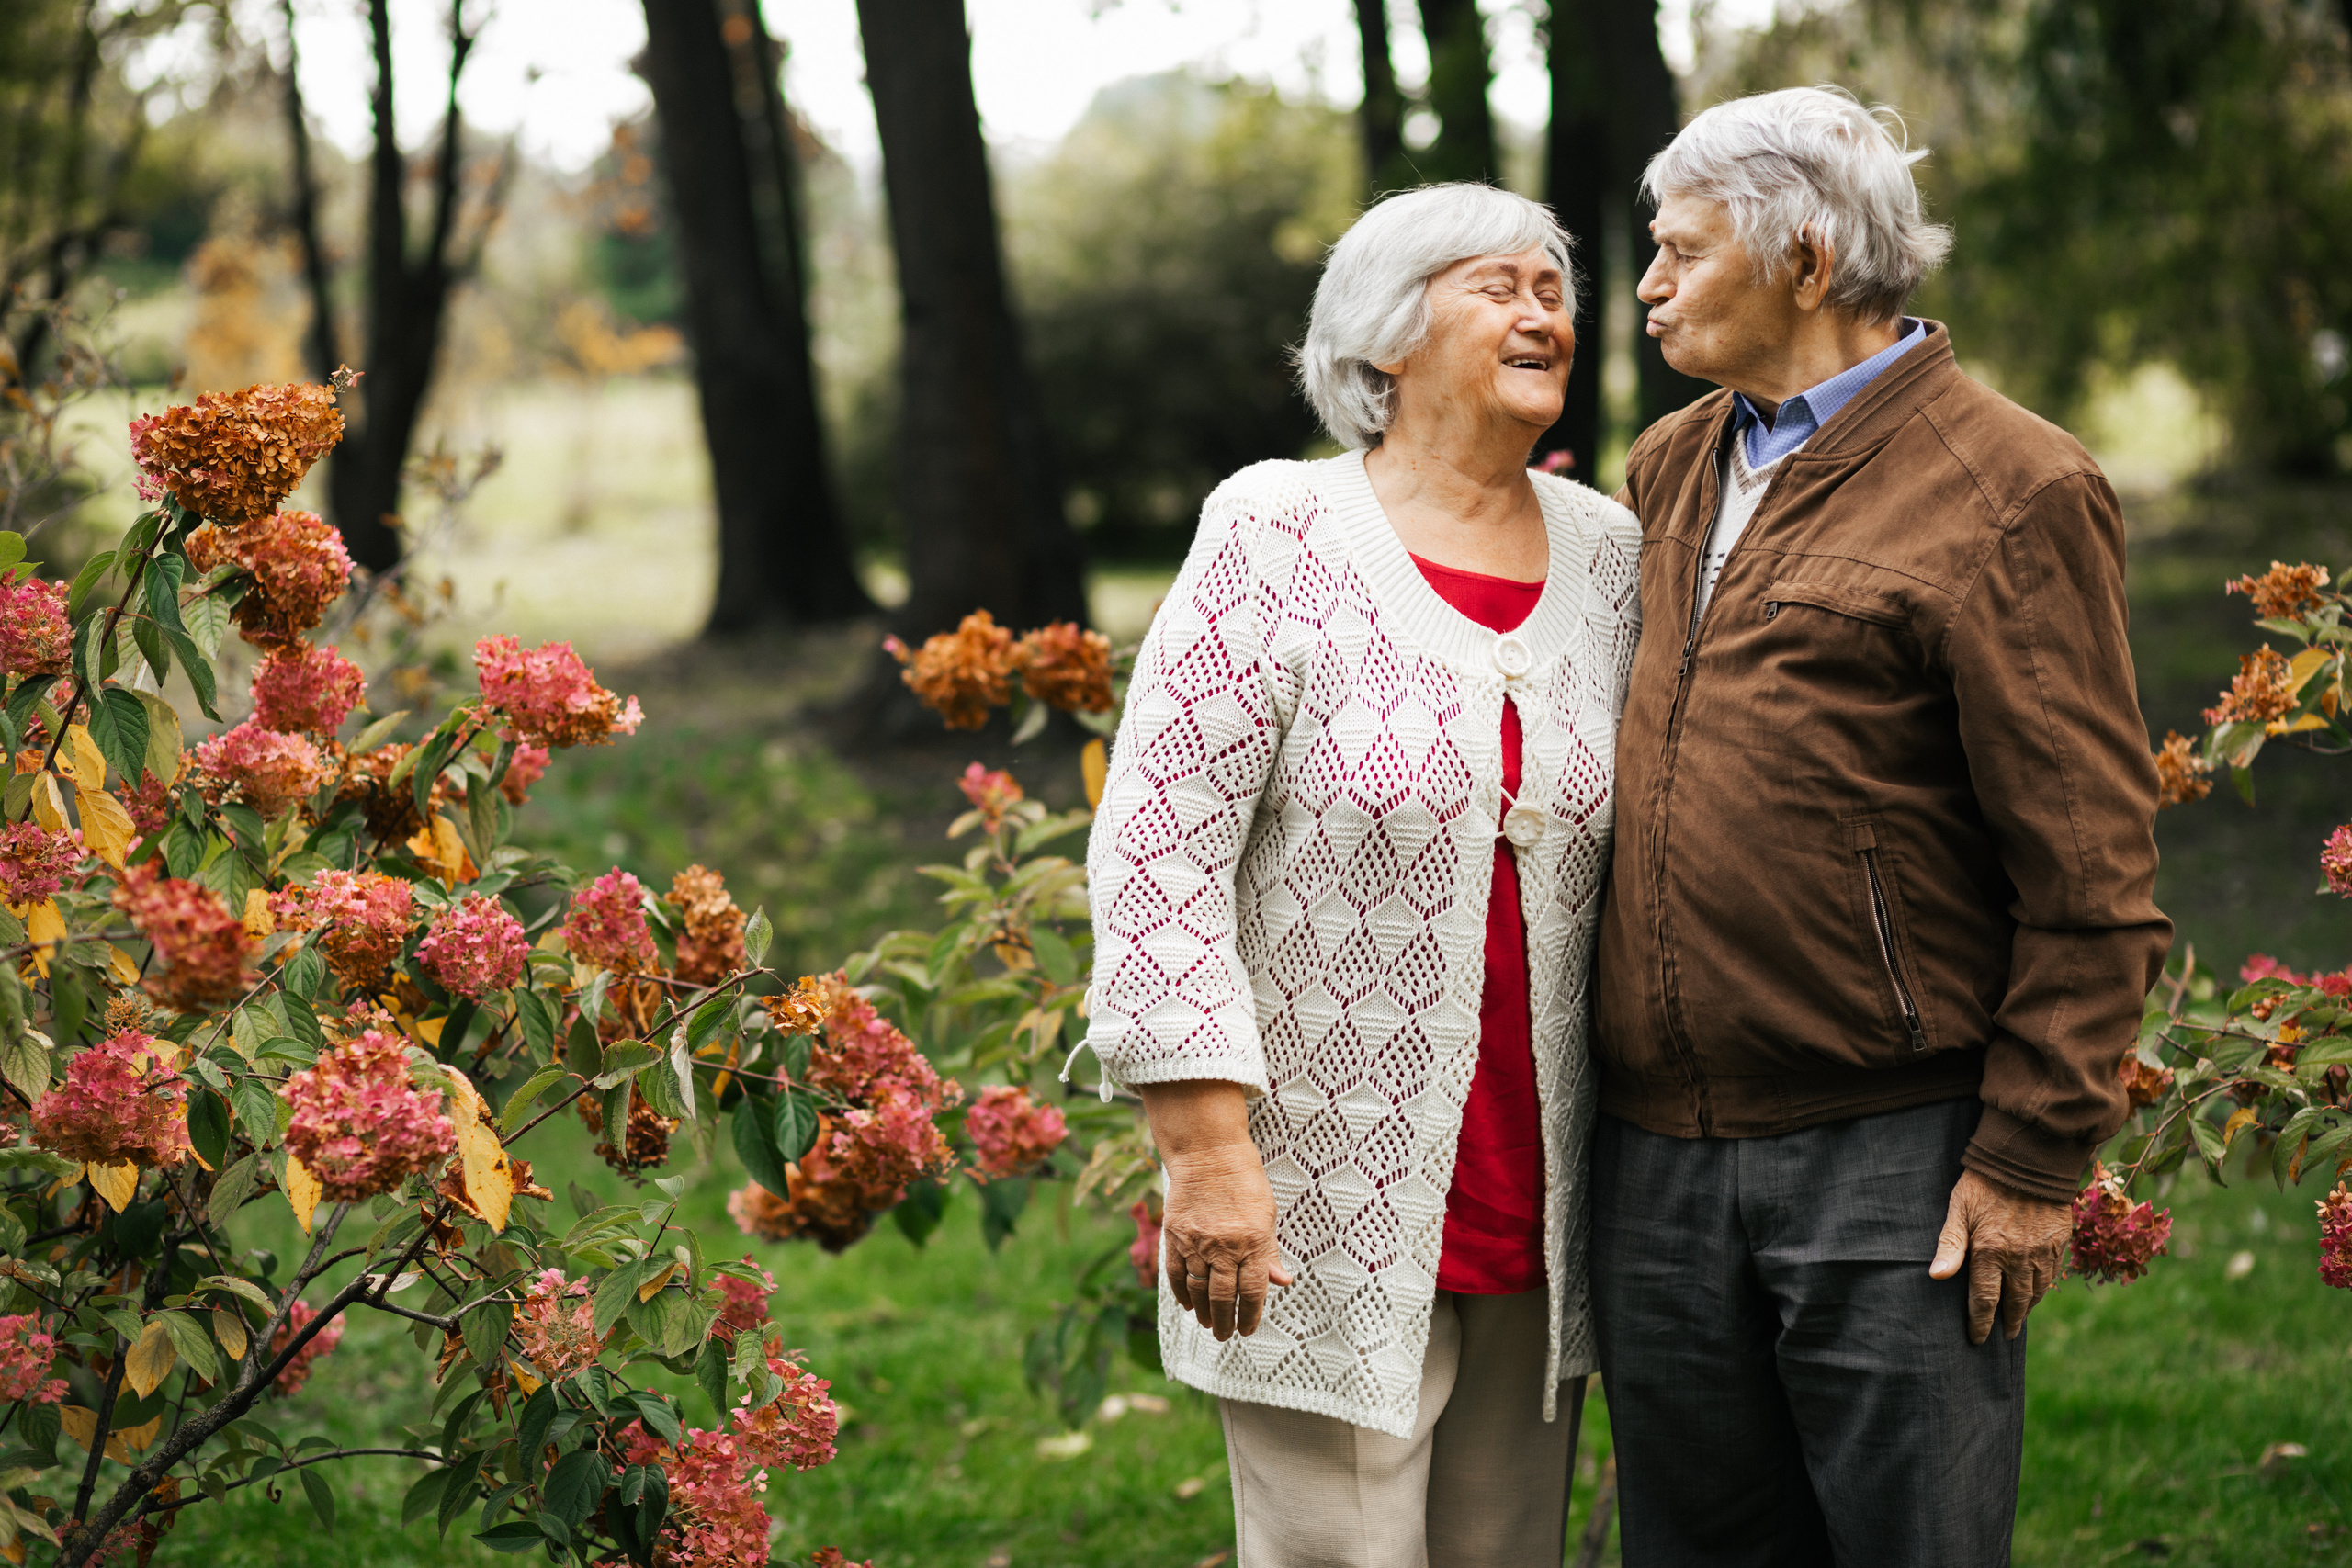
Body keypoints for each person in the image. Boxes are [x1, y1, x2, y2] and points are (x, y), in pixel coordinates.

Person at [1590, 85, 2171, 1565]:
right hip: (1657, 1148)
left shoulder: (2011, 486)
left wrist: (2035, 1157)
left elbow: (2095, 871)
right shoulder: (1671, 462)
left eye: (1679, 250)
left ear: (1803, 257)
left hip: (1891, 1156)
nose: (1647, 285)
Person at [1071, 182, 1640, 1567]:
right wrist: (1205, 1150)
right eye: (1494, 284)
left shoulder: (1617, 556)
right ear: (1385, 337)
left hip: (1552, 1185)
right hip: (1321, 1191)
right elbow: (1160, 851)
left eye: (1552, 289)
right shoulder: (1279, 533)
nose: (1539, 313)